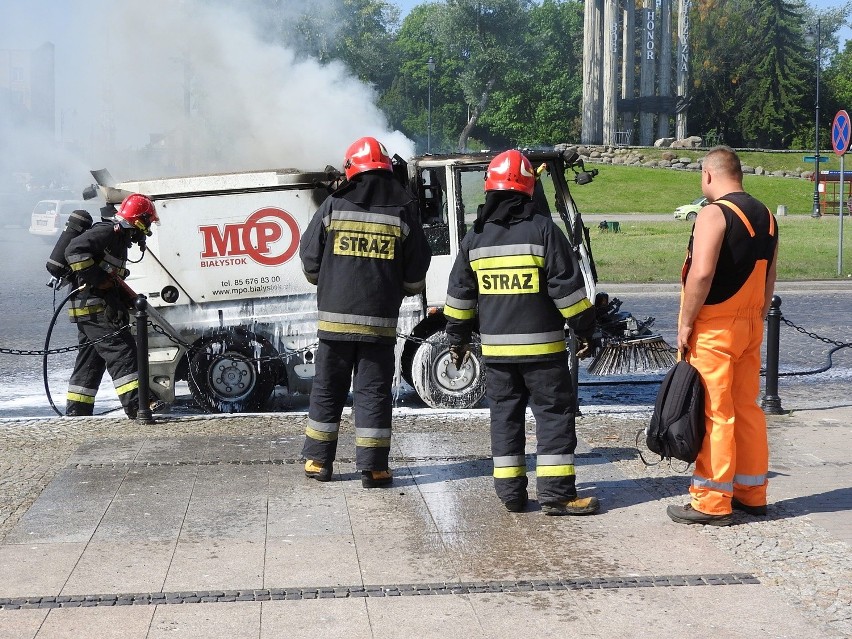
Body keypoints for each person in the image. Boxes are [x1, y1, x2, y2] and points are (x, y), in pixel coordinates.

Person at [443, 149, 599, 515]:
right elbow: (569, 292)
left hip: (497, 357)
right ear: (528, 188)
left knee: (504, 418)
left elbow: (459, 296)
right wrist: (588, 330)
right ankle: (557, 495)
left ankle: (511, 495)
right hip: (543, 355)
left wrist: (457, 339)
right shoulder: (544, 231)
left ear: (490, 189)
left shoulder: (475, 239)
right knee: (553, 416)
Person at [300, 136, 431, 488]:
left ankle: (317, 461)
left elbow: (309, 262)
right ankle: (374, 468)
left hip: (334, 323)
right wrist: (396, 290)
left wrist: (329, 283)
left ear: (352, 171)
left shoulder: (332, 206)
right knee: (372, 392)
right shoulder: (403, 211)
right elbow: (416, 273)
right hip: (379, 326)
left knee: (327, 388)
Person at [667, 146, 778, 526]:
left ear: (709, 174)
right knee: (747, 407)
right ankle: (751, 493)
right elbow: (769, 274)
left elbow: (701, 274)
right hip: (750, 324)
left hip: (715, 326)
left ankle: (711, 501)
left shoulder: (714, 214)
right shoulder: (766, 216)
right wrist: (758, 317)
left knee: (716, 412)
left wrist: (685, 322)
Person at [64, 193, 159, 419]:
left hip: (90, 309)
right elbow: (73, 252)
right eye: (146, 222)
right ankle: (139, 407)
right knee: (123, 352)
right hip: (95, 308)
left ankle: (78, 413)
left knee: (90, 364)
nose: (146, 229)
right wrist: (98, 278)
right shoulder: (108, 232)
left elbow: (112, 278)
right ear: (138, 220)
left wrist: (127, 299)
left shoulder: (118, 240)